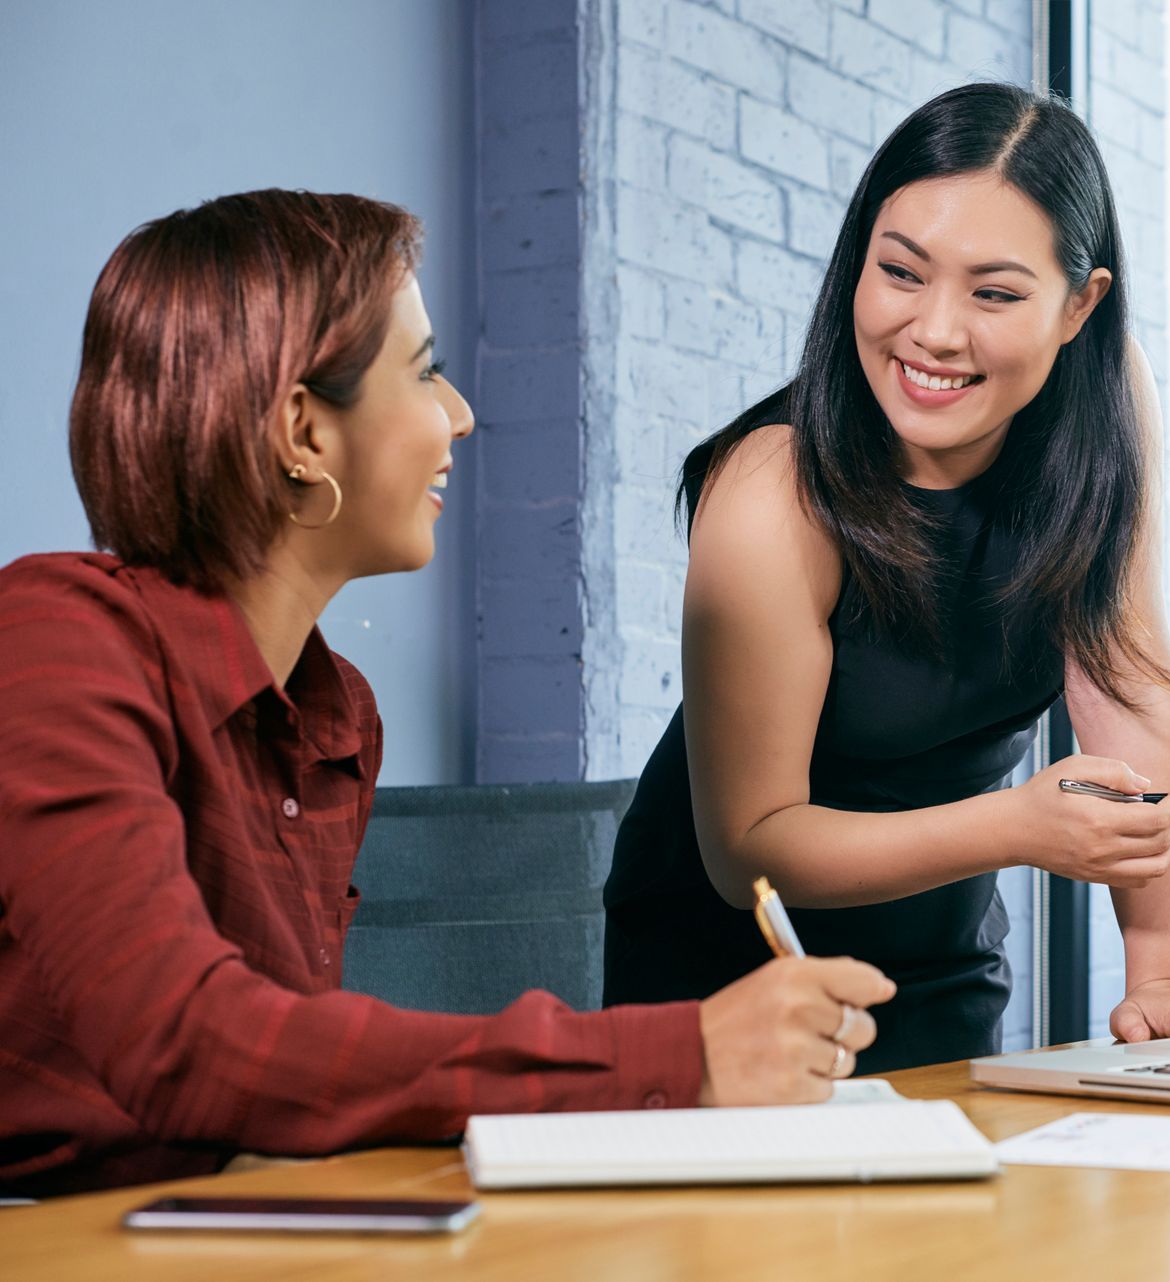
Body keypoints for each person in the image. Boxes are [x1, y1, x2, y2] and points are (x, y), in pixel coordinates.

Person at [0, 190, 892, 1199]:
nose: (461, 413)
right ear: (303, 431)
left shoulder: (333, 716)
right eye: (424, 372)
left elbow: (281, 1087)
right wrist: (679, 1055)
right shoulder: (54, 639)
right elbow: (187, 1043)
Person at [603, 83, 1170, 1070]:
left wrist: (1162, 968)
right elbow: (749, 844)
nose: (935, 333)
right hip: (733, 981)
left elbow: (1126, 678)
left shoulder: (1105, 402)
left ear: (1081, 305)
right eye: (902, 273)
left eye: (995, 293)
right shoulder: (770, 489)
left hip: (943, 959)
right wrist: (1018, 826)